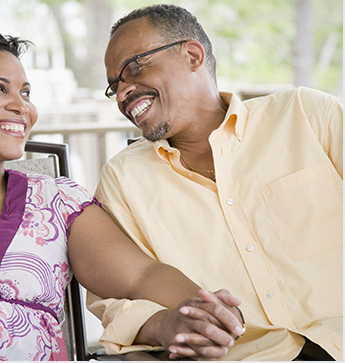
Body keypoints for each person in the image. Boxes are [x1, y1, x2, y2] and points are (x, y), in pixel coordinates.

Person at [0, 33, 244, 361]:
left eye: (25, 92)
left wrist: (207, 310)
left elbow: (141, 275)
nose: (21, 106)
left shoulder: (57, 201)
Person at [88, 3, 342, 361]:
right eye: (114, 85)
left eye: (132, 68)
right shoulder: (124, 178)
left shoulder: (305, 115)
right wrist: (163, 322)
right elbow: (112, 298)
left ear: (192, 55)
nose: (123, 92)